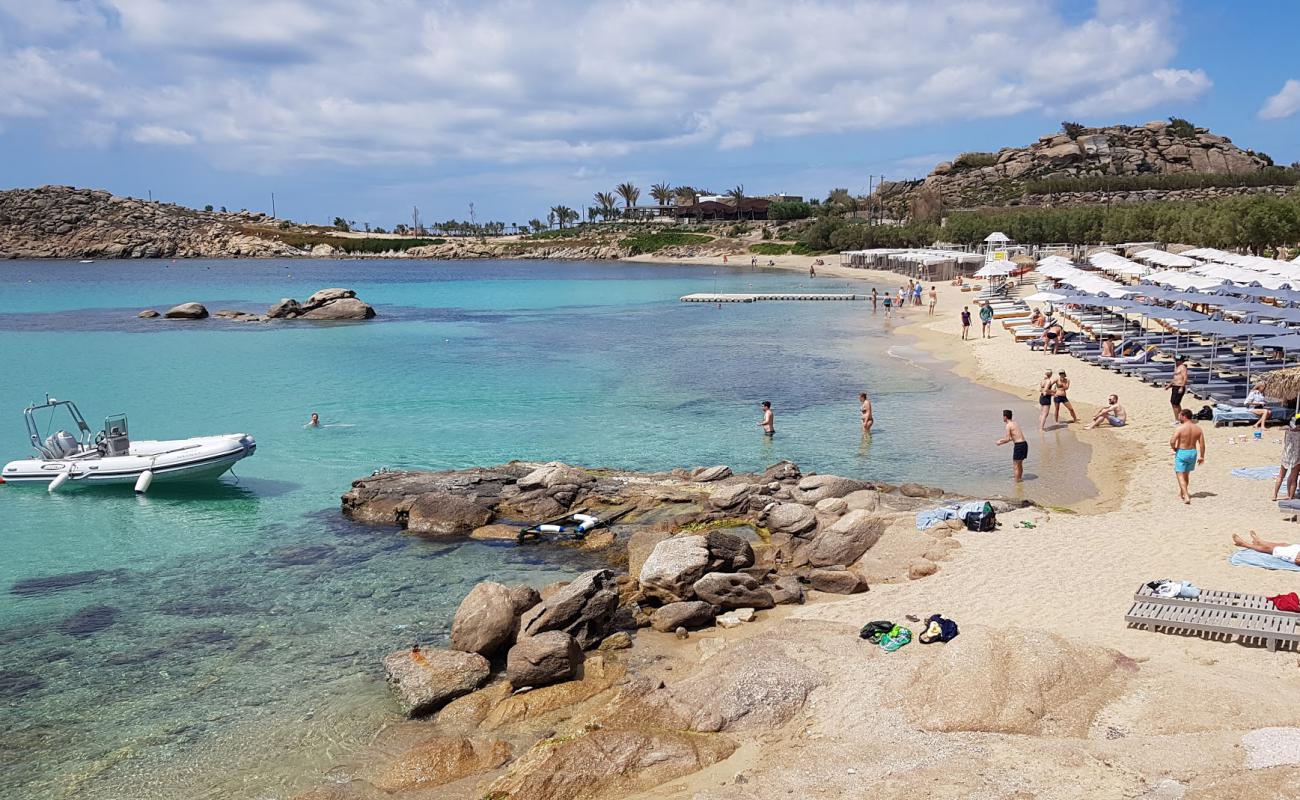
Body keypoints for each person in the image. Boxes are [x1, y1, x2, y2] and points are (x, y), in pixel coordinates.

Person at [1170, 408, 1206, 504]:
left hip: (1182, 451)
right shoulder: (1198, 429)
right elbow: (1202, 444)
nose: (1178, 417)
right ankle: (1182, 492)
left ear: (1184, 416)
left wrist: (1174, 448)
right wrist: (1202, 456)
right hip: (1193, 452)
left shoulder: (1180, 428)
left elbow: (1172, 441)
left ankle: (1186, 496)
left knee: (1179, 474)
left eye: (1179, 416)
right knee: (1186, 474)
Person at [1273, 414, 1300, 501]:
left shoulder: (1288, 431)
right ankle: (1290, 497)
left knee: (1280, 476)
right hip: (1296, 457)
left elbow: (1285, 442)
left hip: (1286, 455)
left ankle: (1274, 495)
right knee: (1293, 478)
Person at [996, 409, 1028, 482]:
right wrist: (1002, 440)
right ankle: (1019, 480)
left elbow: (1007, 439)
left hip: (1019, 445)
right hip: (1024, 444)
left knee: (1016, 465)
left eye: (1003, 416)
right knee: (1019, 464)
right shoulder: (1015, 423)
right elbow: (1014, 437)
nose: (1003, 418)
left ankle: (1016, 483)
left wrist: (999, 442)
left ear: (1005, 417)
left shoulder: (1008, 426)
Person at [1231, 531, 1300, 565]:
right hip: (1297, 549)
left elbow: (1297, 561)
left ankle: (1244, 544)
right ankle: (1259, 541)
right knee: (1283, 544)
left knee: (1269, 549)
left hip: (1292, 556)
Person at [1169, 355, 1188, 423]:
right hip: (1175, 386)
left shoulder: (1183, 368)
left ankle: (1177, 420)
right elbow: (1175, 378)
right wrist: (1169, 385)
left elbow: (1185, 378)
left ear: (1180, 361)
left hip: (1179, 387)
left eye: (1177, 360)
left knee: (1175, 404)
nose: (1176, 361)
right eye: (1175, 360)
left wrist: (1181, 387)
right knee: (1175, 403)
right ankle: (1181, 418)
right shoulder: (1178, 367)